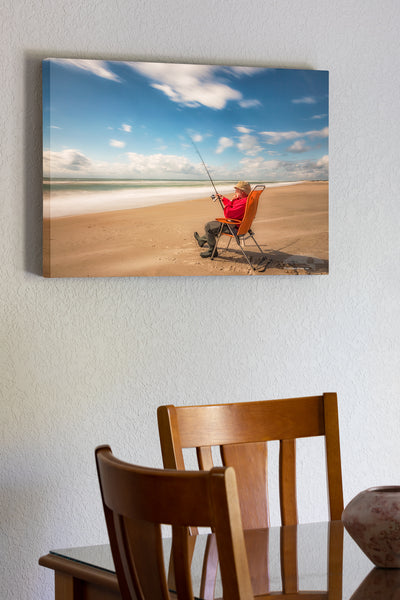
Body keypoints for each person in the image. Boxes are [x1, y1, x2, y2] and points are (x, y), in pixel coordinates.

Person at [194, 181, 251, 258]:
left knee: (209, 226)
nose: (235, 191)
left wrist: (232, 200)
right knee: (215, 226)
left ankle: (212, 251)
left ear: (243, 192)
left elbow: (228, 214)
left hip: (234, 228)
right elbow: (233, 206)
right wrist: (223, 198)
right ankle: (201, 240)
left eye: (237, 190)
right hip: (239, 225)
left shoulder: (243, 202)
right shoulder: (245, 199)